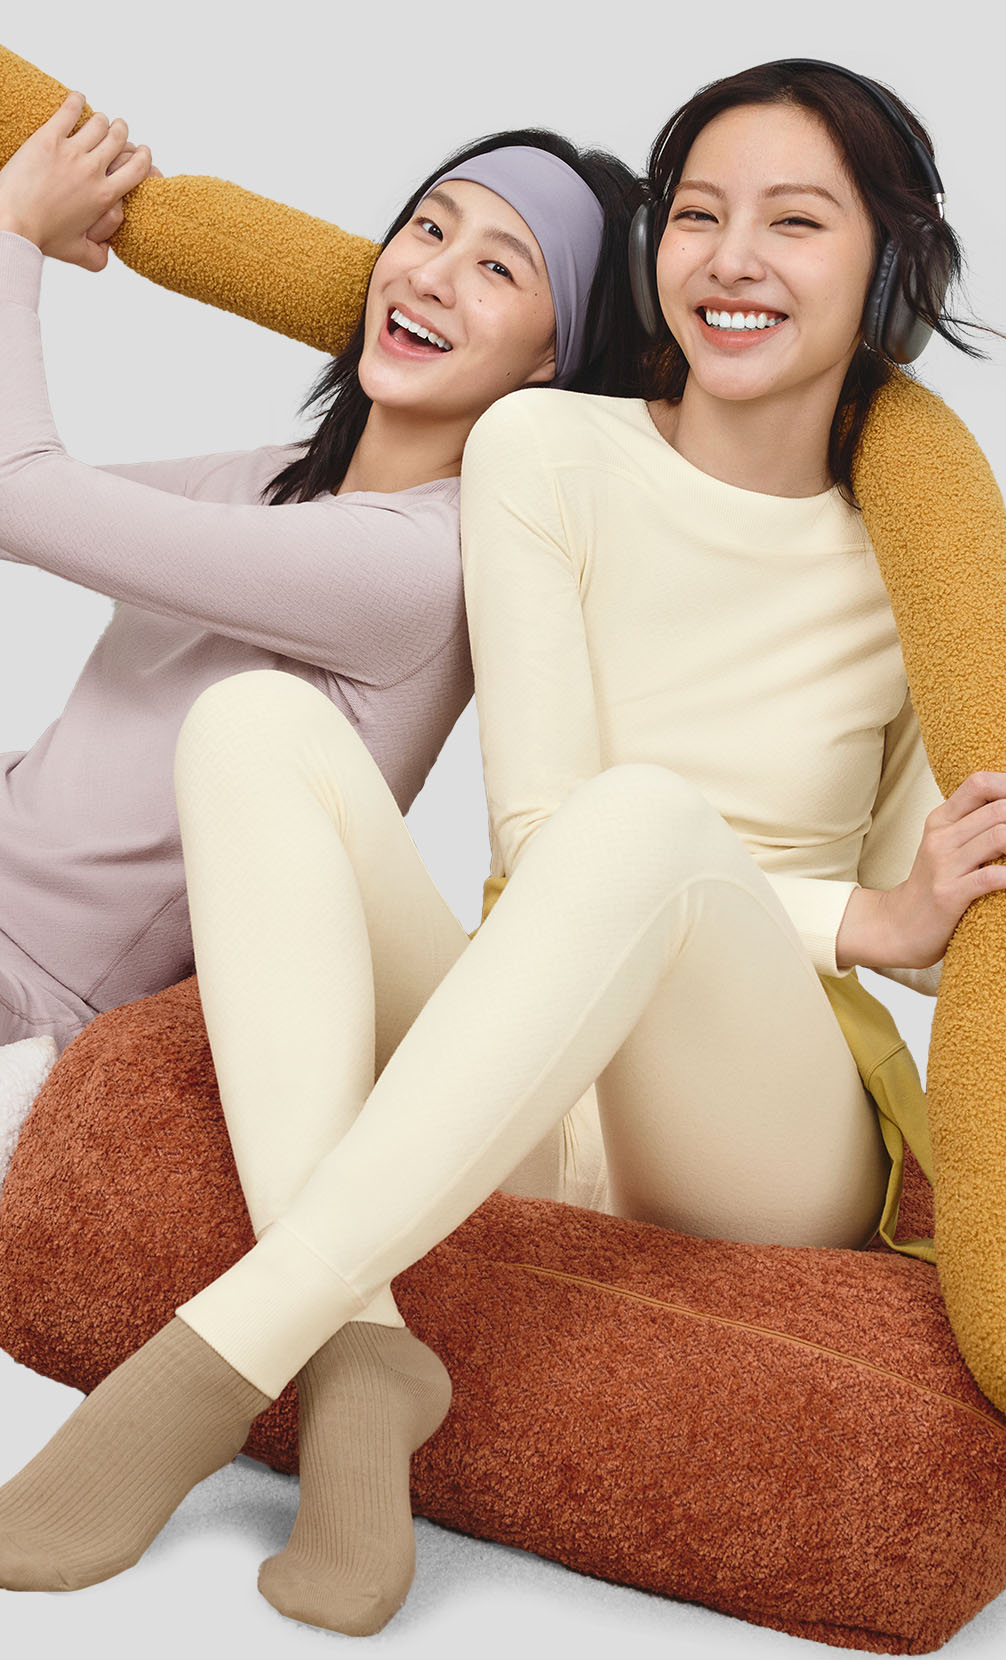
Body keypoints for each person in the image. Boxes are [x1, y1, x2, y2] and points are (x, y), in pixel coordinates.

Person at [0, 60, 1006, 1639]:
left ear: (888, 260)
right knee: (252, 726)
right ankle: (362, 1354)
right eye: (701, 216)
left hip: (760, 1124)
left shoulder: (918, 550)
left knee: (643, 819)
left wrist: (982, 902)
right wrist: (871, 913)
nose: (735, 258)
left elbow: (913, 930)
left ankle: (214, 1360)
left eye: (796, 222)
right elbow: (536, 839)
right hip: (534, 1052)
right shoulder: (541, 449)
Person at [0, 92, 642, 1121]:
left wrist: (15, 233)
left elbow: (17, 493)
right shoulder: (285, 481)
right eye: (429, 227)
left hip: (34, 987)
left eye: (498, 268)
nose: (431, 273)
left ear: (551, 359)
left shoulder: (422, 564)